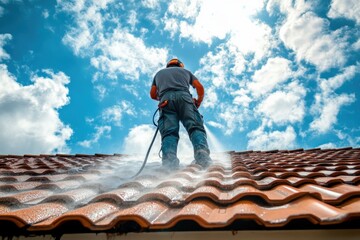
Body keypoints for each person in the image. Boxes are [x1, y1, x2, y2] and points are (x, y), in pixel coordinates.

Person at [150, 58, 212, 169]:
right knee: (195, 128)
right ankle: (203, 159)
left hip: (166, 101)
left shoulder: (159, 74)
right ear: (180, 65)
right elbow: (199, 87)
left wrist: (164, 98)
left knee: (169, 133)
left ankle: (169, 164)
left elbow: (153, 94)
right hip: (185, 98)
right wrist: (198, 101)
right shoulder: (186, 72)